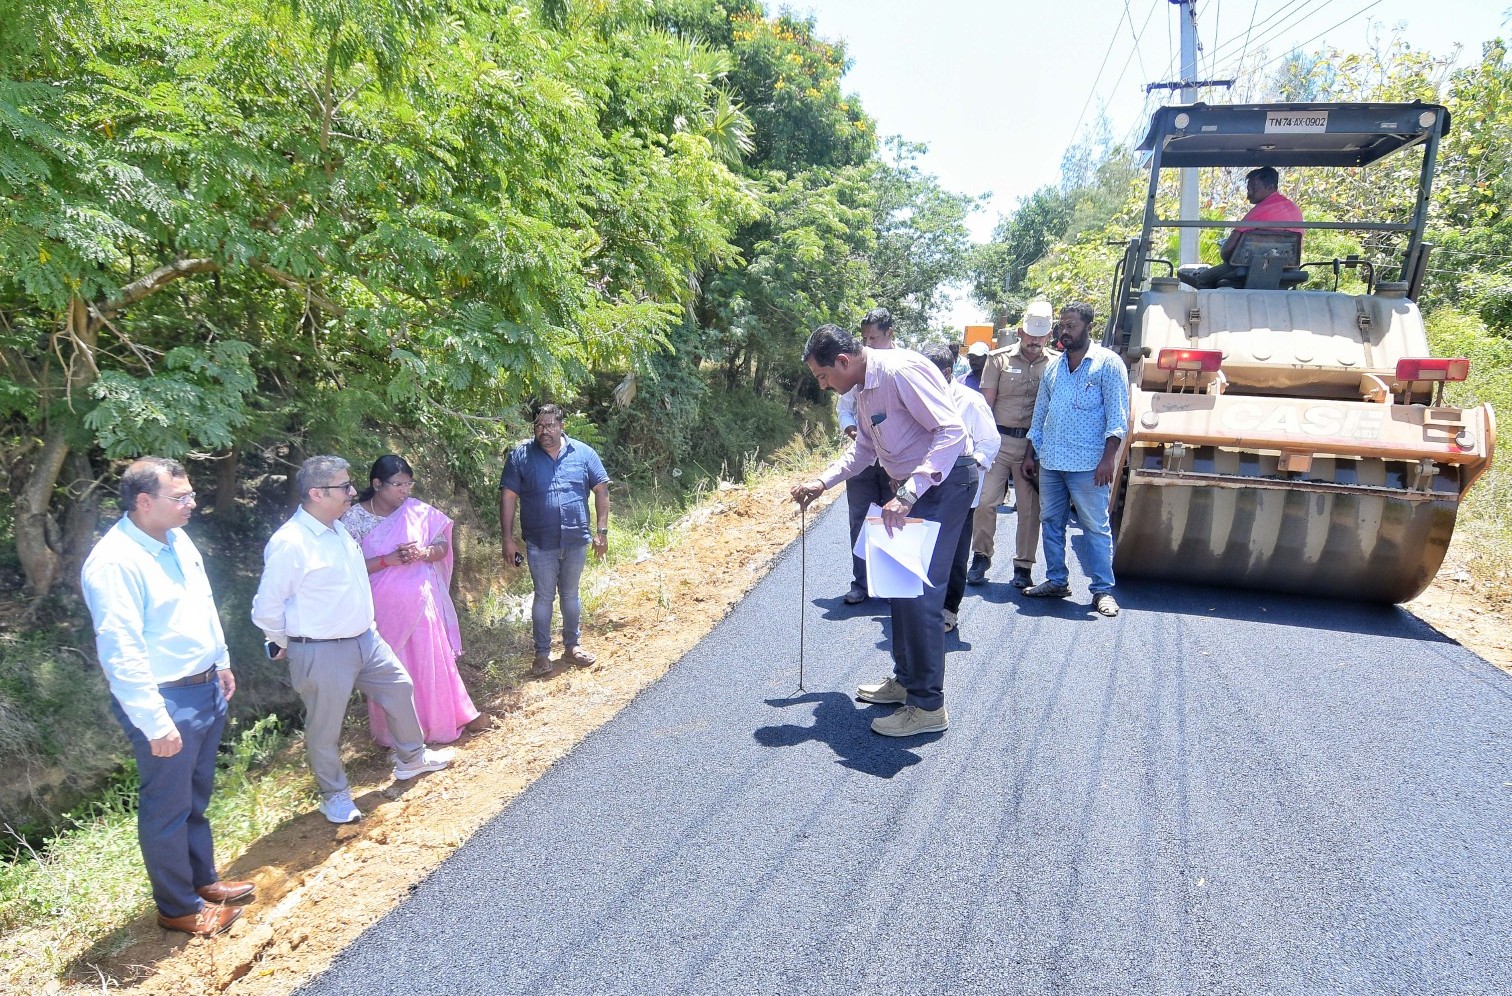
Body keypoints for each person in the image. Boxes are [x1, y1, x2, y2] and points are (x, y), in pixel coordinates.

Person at [81, 457, 253, 936]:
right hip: (164, 699)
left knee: (194, 798)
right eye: (180, 497)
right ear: (143, 501)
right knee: (167, 808)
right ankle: (178, 908)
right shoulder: (115, 562)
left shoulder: (177, 539)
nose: (191, 503)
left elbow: (203, 604)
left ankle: (202, 881)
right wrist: (155, 722)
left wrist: (220, 661)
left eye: (190, 494)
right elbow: (120, 650)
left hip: (203, 686)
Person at [790, 324, 973, 738]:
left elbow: (951, 432)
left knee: (921, 594)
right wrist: (821, 482)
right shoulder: (862, 389)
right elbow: (864, 450)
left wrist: (909, 492)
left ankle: (928, 706)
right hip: (910, 490)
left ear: (842, 361)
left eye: (822, 376)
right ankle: (906, 681)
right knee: (898, 588)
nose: (822, 385)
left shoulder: (899, 371)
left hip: (942, 485)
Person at [252, 456, 452, 825]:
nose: (351, 491)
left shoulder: (337, 530)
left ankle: (411, 758)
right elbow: (266, 608)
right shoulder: (291, 542)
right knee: (325, 727)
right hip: (320, 648)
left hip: (365, 639)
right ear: (317, 493)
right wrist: (282, 641)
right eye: (344, 486)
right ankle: (335, 796)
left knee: (398, 687)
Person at [341, 455, 480, 745]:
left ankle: (440, 723)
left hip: (421, 603)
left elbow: (442, 546)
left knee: (430, 661)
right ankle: (400, 737)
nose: (405, 491)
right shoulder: (354, 519)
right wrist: (387, 560)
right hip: (382, 609)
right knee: (393, 668)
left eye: (408, 484)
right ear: (377, 484)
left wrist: (424, 553)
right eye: (398, 485)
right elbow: (347, 568)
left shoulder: (417, 511)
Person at [1022, 302, 1131, 617]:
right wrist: (1031, 453)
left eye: (1071, 326)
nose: (1064, 331)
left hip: (1089, 465)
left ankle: (1102, 590)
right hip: (1051, 461)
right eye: (1062, 326)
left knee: (1094, 526)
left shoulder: (1108, 364)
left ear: (1088, 327)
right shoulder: (1054, 368)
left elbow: (1118, 417)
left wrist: (1108, 459)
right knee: (1051, 522)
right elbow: (1040, 413)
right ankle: (1056, 580)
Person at [500, 404, 611, 678]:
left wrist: (602, 532)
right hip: (540, 542)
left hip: (575, 539)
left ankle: (572, 647)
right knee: (544, 597)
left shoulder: (583, 453)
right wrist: (507, 539)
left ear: (562, 425)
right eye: (539, 425)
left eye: (550, 425)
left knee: (571, 595)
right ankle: (542, 654)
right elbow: (508, 497)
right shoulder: (521, 456)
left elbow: (601, 489)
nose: (544, 431)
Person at [969, 302, 1054, 589]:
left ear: (1049, 335)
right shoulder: (998, 360)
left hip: (1033, 447)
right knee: (985, 501)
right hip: (999, 441)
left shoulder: (1056, 364)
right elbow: (985, 406)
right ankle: (981, 556)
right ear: (1020, 331)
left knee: (1030, 510)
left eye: (1041, 336)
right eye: (1030, 334)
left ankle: (1023, 566)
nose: (1034, 341)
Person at [920, 343, 999, 633]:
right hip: (924, 486)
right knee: (923, 546)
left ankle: (949, 609)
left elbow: (990, 441)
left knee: (954, 553)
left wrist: (967, 465)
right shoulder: (919, 396)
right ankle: (921, 604)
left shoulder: (970, 401)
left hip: (959, 490)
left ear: (946, 372)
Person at [836, 307, 900, 605]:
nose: (868, 344)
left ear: (890, 334)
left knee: (893, 519)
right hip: (862, 459)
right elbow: (844, 407)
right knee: (860, 519)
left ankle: (892, 584)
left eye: (873, 338)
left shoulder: (903, 366)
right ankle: (861, 583)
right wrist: (850, 428)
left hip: (896, 463)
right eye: (864, 338)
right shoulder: (858, 367)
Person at [1179, 166, 1303, 290]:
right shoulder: (1294, 209)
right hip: (1288, 268)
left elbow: (1226, 252)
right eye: (1248, 189)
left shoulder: (1258, 211)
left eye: (1253, 188)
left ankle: (1215, 301)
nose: (1249, 194)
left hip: (1251, 268)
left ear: (1270, 187)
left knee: (1202, 279)